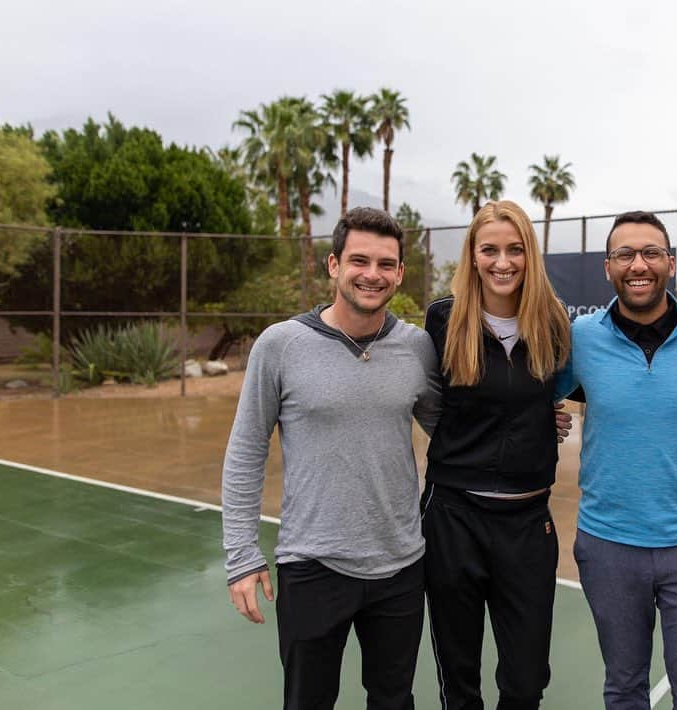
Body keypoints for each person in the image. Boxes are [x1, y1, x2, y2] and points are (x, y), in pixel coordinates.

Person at [221, 207, 441, 710]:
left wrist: (533, 419)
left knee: (394, 700)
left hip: (402, 566)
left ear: (401, 274)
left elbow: (451, 430)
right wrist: (241, 555)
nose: (373, 274)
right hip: (312, 566)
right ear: (333, 265)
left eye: (386, 264)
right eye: (359, 260)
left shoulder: (417, 347)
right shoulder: (280, 345)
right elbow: (246, 451)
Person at [555, 210, 677, 710]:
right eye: (625, 254)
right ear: (608, 268)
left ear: (670, 263)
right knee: (623, 690)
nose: (639, 264)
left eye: (651, 253)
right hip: (608, 546)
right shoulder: (580, 337)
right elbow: (532, 398)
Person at [421, 200, 572, 710]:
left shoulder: (553, 323)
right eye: (490, 250)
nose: (502, 262)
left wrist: (540, 424)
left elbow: (566, 393)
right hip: (453, 518)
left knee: (526, 682)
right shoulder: (443, 319)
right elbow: (427, 402)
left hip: (527, 523)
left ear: (530, 254)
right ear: (473, 255)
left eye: (515, 249)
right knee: (459, 677)